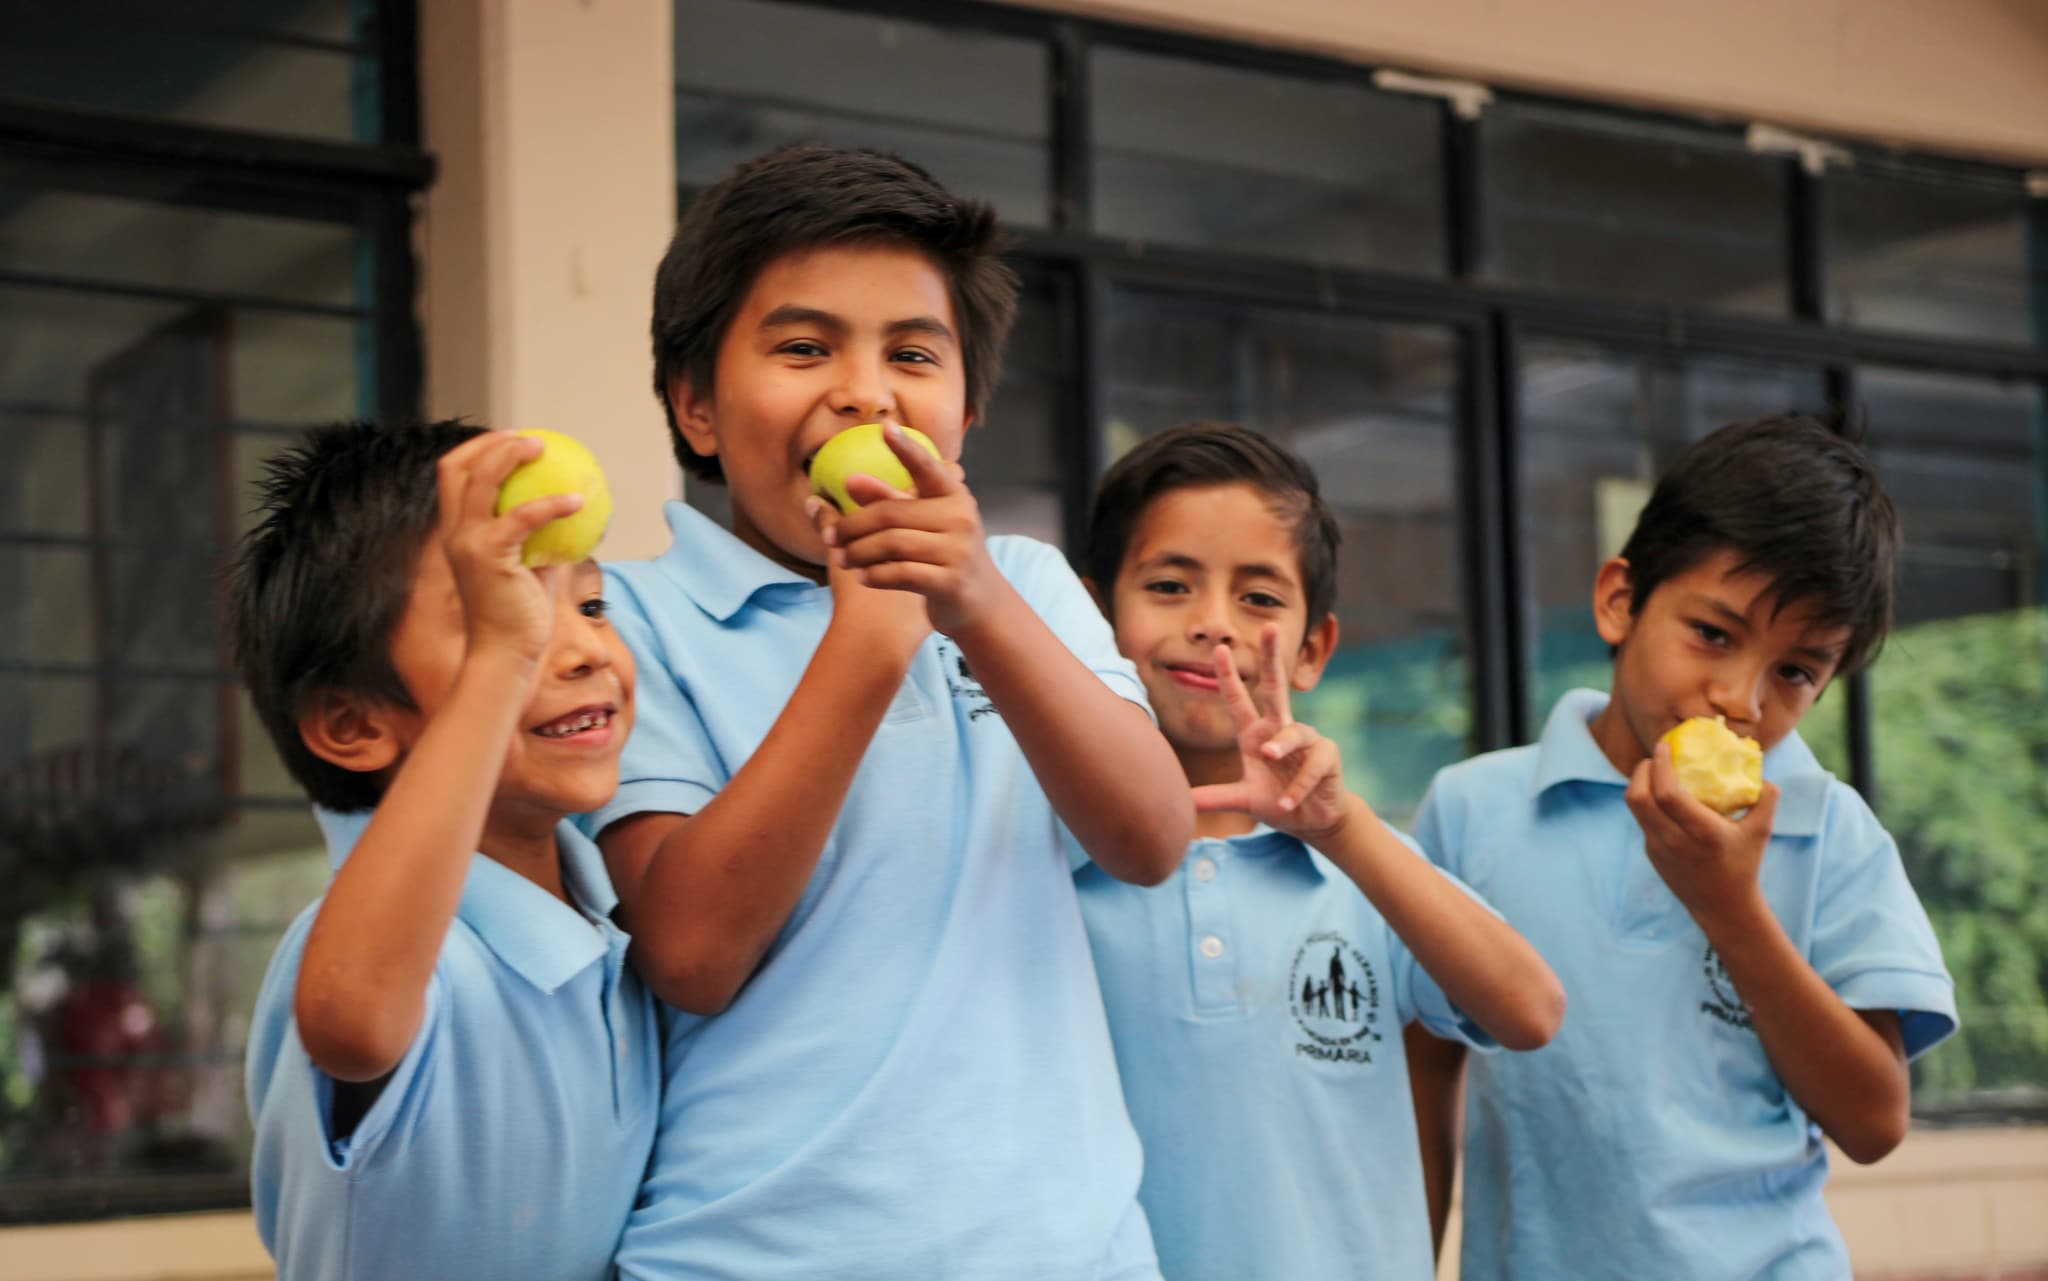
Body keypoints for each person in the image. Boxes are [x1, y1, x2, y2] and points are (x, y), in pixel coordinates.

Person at [586, 143, 1191, 1280]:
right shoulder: (626, 619)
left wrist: (974, 607)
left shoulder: (1023, 585)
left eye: (913, 352)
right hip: (751, 1258)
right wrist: (865, 647)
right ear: (697, 406)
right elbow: (692, 952)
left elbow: (1150, 839)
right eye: (803, 346)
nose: (864, 391)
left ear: (963, 418)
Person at [1409, 411, 1958, 1279]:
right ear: (1620, 600)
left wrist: (1729, 905)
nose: (1739, 697)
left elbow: (1874, 1121)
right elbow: (1425, 1075)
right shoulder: (1472, 809)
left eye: (1796, 672)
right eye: (1713, 633)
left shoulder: (1828, 828)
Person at [1074, 422, 1564, 1281]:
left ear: (1314, 650)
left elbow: (1531, 1010)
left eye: (1259, 598)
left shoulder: (1361, 869)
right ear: (1092, 615)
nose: (1214, 625)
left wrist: (1344, 833)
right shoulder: (1040, 871)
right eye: (1169, 584)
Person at [231, 422, 656, 1281]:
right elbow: (353, 1014)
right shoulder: (390, 952)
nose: (578, 649)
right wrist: (506, 657)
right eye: (499, 615)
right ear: (355, 724)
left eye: (591, 603)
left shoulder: (622, 926)